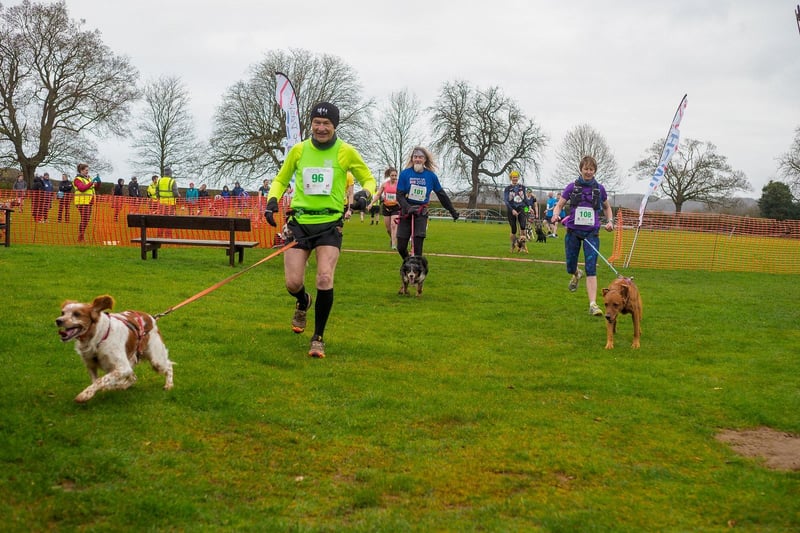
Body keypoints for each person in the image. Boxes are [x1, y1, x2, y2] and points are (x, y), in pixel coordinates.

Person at [264, 101, 376, 359]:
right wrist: (272, 201)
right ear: (311, 123)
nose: (321, 128)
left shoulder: (346, 151)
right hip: (300, 223)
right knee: (293, 282)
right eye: (317, 123)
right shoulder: (299, 150)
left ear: (335, 125)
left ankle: (318, 338)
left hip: (329, 224)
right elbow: (281, 179)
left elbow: (369, 178)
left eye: (326, 124)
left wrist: (365, 194)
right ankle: (303, 300)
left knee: (325, 277)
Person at [550, 155, 614, 317]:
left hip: (592, 233)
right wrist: (555, 215)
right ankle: (576, 274)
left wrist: (610, 222)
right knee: (570, 266)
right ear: (581, 169)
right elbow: (559, 205)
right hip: (573, 232)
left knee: (591, 268)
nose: (588, 172)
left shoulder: (600, 189)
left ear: (595, 170)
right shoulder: (572, 187)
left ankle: (593, 304)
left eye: (591, 169)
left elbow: (607, 208)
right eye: (586, 169)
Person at [395, 146, 459, 259]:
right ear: (412, 159)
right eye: (415, 157)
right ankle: (408, 262)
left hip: (421, 213)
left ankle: (418, 270)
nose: (418, 159)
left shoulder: (431, 176)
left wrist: (452, 211)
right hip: (406, 212)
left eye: (420, 157)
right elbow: (399, 195)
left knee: (418, 249)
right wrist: (407, 207)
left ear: (425, 160)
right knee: (401, 246)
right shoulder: (405, 174)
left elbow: (441, 195)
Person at [369, 167, 401, 249]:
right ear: (389, 176)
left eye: (395, 175)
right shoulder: (384, 184)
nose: (394, 177)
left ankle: (394, 244)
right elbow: (378, 194)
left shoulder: (399, 184)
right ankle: (392, 238)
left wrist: (400, 201)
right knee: (388, 229)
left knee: (393, 225)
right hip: (386, 207)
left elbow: (404, 195)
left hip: (396, 207)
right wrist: (371, 203)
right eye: (392, 175)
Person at [73, 163, 99, 242]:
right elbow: (82, 188)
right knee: (85, 219)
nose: (87, 172)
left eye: (88, 170)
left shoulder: (89, 178)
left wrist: (98, 182)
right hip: (81, 202)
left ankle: (81, 235)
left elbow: (94, 188)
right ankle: (81, 236)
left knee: (86, 219)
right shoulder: (77, 179)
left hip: (89, 201)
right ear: (81, 170)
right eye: (86, 170)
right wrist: (91, 182)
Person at [503, 170, 528, 252]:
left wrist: (528, 208)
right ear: (511, 178)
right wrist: (512, 210)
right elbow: (506, 201)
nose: (515, 179)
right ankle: (513, 245)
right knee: (514, 229)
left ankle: (523, 246)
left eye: (516, 177)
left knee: (523, 226)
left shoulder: (522, 187)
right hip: (511, 209)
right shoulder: (507, 189)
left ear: (518, 178)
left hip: (521, 208)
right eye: (513, 177)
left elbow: (525, 199)